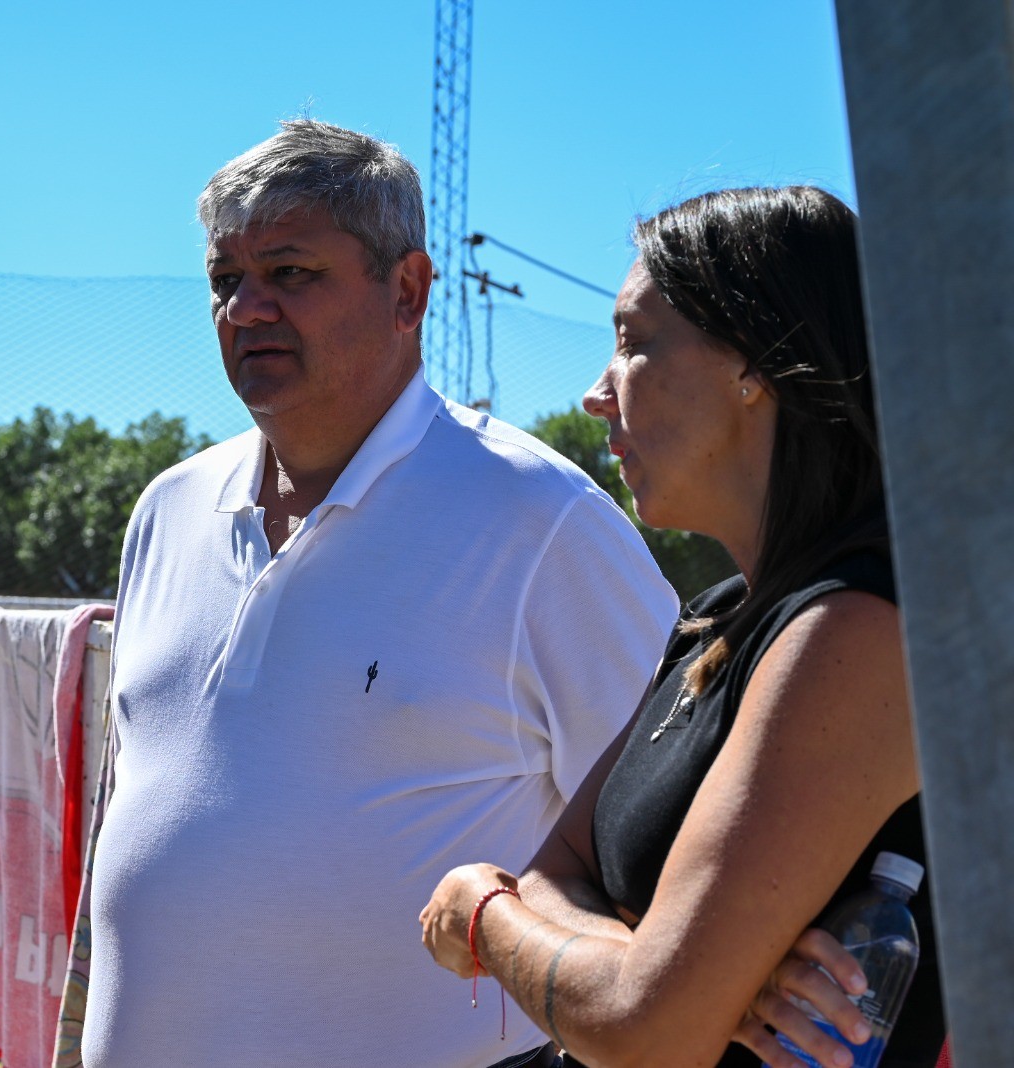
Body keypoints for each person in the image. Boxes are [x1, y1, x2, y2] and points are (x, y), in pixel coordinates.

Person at [82, 119, 679, 1068]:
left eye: (290, 272)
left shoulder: (543, 523)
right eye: (225, 279)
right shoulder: (167, 510)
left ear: (408, 291)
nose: (246, 308)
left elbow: (667, 857)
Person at [420, 186, 945, 1068]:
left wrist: (481, 911)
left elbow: (643, 1031)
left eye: (632, 343)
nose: (596, 394)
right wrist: (699, 981)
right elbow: (555, 875)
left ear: (756, 365)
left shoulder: (855, 631)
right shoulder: (718, 617)